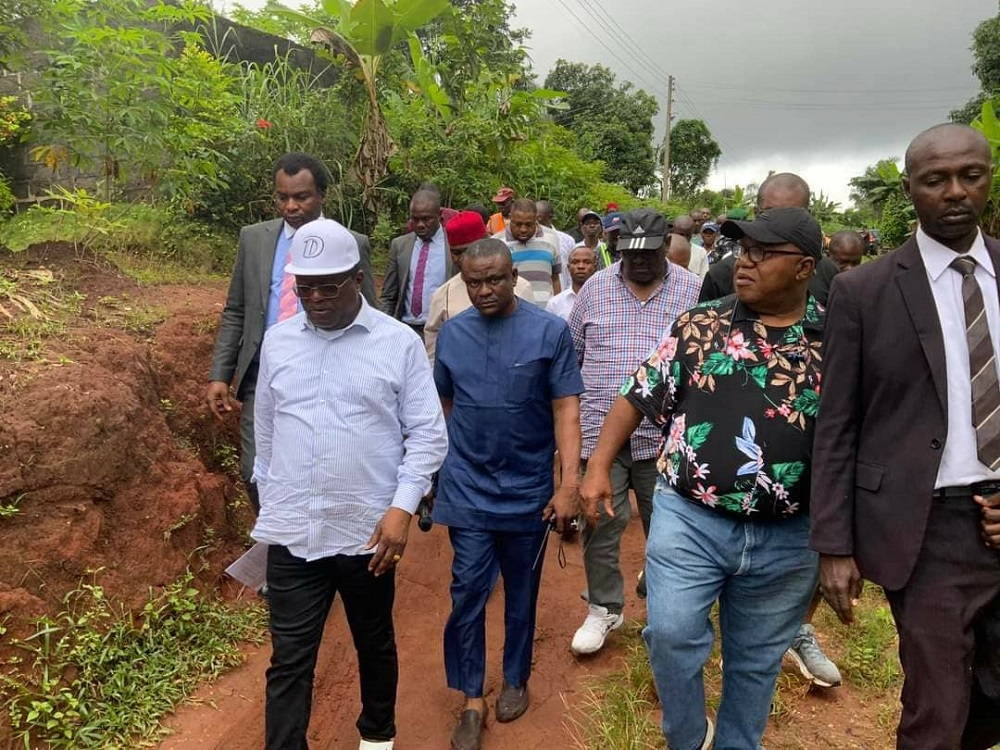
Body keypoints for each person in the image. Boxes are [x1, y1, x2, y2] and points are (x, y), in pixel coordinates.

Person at [581, 207, 826, 750]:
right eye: (744, 250)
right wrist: (598, 465)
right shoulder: (703, 322)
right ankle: (687, 738)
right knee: (669, 634)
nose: (746, 262)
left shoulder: (834, 340)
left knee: (756, 659)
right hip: (690, 515)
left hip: (789, 533)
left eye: (765, 254)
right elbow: (637, 392)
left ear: (805, 266)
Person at [811, 123, 1000, 750]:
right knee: (937, 705)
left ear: (988, 178)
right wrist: (834, 544)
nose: (954, 192)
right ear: (909, 189)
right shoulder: (863, 291)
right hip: (927, 529)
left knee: (991, 697)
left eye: (969, 176)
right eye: (935, 180)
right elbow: (837, 421)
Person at [251, 218, 448, 750]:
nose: (314, 297)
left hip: (368, 533)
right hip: (295, 531)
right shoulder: (278, 341)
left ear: (357, 278)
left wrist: (403, 508)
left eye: (327, 286)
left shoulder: (397, 344)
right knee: (289, 657)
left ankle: (377, 735)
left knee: (373, 640)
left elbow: (428, 435)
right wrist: (270, 499)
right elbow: (266, 431)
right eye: (304, 286)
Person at [433, 238, 584, 750]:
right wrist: (439, 472)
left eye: (494, 279)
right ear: (463, 280)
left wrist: (568, 484)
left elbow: (566, 410)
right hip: (469, 487)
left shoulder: (550, 332)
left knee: (521, 591)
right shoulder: (452, 336)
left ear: (514, 275)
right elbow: (445, 407)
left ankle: (515, 677)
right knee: (468, 591)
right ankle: (472, 698)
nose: (484, 290)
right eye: (474, 282)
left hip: (528, 489)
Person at [206, 152, 376, 513]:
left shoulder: (350, 242)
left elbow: (370, 314)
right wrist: (220, 374)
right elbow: (237, 309)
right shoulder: (254, 240)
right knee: (256, 469)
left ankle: (314, 542)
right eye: (282, 197)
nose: (291, 206)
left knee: (323, 467)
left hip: (330, 371)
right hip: (264, 372)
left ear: (322, 196)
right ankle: (276, 544)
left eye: (301, 197)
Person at [569, 208, 701, 656]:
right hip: (598, 434)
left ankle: (667, 614)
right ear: (617, 248)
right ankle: (605, 606)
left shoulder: (693, 291)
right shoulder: (595, 289)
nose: (639, 262)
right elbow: (573, 357)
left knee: (669, 531)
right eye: (630, 253)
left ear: (667, 245)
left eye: (649, 253)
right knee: (601, 523)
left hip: (665, 441)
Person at [699, 174, 839, 305]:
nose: (779, 222)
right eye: (771, 212)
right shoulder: (721, 274)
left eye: (791, 214)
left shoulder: (829, 273)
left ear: (805, 268)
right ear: (756, 212)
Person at [424, 211, 534, 363]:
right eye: (457, 253)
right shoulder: (443, 294)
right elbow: (433, 349)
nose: (464, 259)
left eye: (469, 250)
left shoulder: (521, 287)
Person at [380, 189, 453, 339]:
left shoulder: (452, 245)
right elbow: (389, 295)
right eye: (415, 219)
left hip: (443, 328)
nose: (420, 225)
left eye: (426, 219)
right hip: (406, 329)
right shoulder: (400, 245)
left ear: (440, 215)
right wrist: (381, 328)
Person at [493, 197, 562, 304]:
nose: (523, 229)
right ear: (510, 218)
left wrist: (557, 307)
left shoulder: (551, 237)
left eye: (529, 224)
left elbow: (555, 278)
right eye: (518, 224)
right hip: (513, 312)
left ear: (536, 219)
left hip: (545, 312)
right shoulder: (497, 242)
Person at [547, 244, 598, 321]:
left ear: (595, 267)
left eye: (587, 262)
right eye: (575, 262)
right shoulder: (555, 303)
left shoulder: (605, 299)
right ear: (568, 267)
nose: (581, 266)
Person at [536, 199, 576, 292]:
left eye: (538, 218)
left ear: (550, 217)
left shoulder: (567, 240)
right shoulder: (530, 241)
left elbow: (572, 268)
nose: (535, 221)